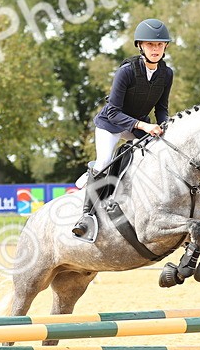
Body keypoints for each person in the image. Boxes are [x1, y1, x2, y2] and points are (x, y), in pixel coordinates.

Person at [72, 18, 175, 238]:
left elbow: (162, 109)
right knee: (102, 163)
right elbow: (112, 112)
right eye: (150, 44)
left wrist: (166, 126)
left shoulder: (166, 74)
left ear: (165, 46)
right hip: (111, 124)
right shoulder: (127, 71)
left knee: (155, 154)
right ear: (140, 46)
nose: (155, 49)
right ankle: (86, 216)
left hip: (139, 125)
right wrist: (144, 125)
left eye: (159, 44)